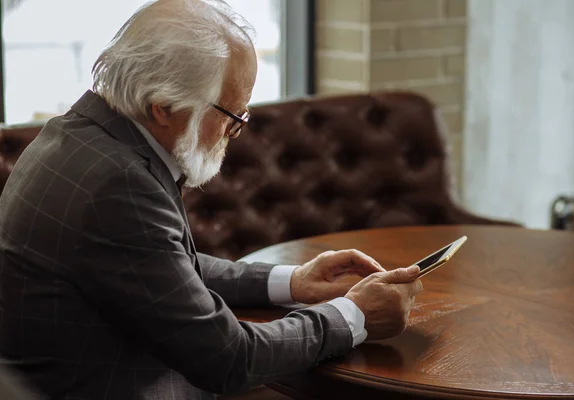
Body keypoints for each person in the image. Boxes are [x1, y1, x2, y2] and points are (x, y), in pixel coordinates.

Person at [0, 0, 423, 399]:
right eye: (233, 118)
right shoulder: (119, 185)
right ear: (163, 105)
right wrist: (354, 317)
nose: (234, 134)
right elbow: (228, 358)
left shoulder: (73, 134)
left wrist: (292, 282)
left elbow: (160, 264)